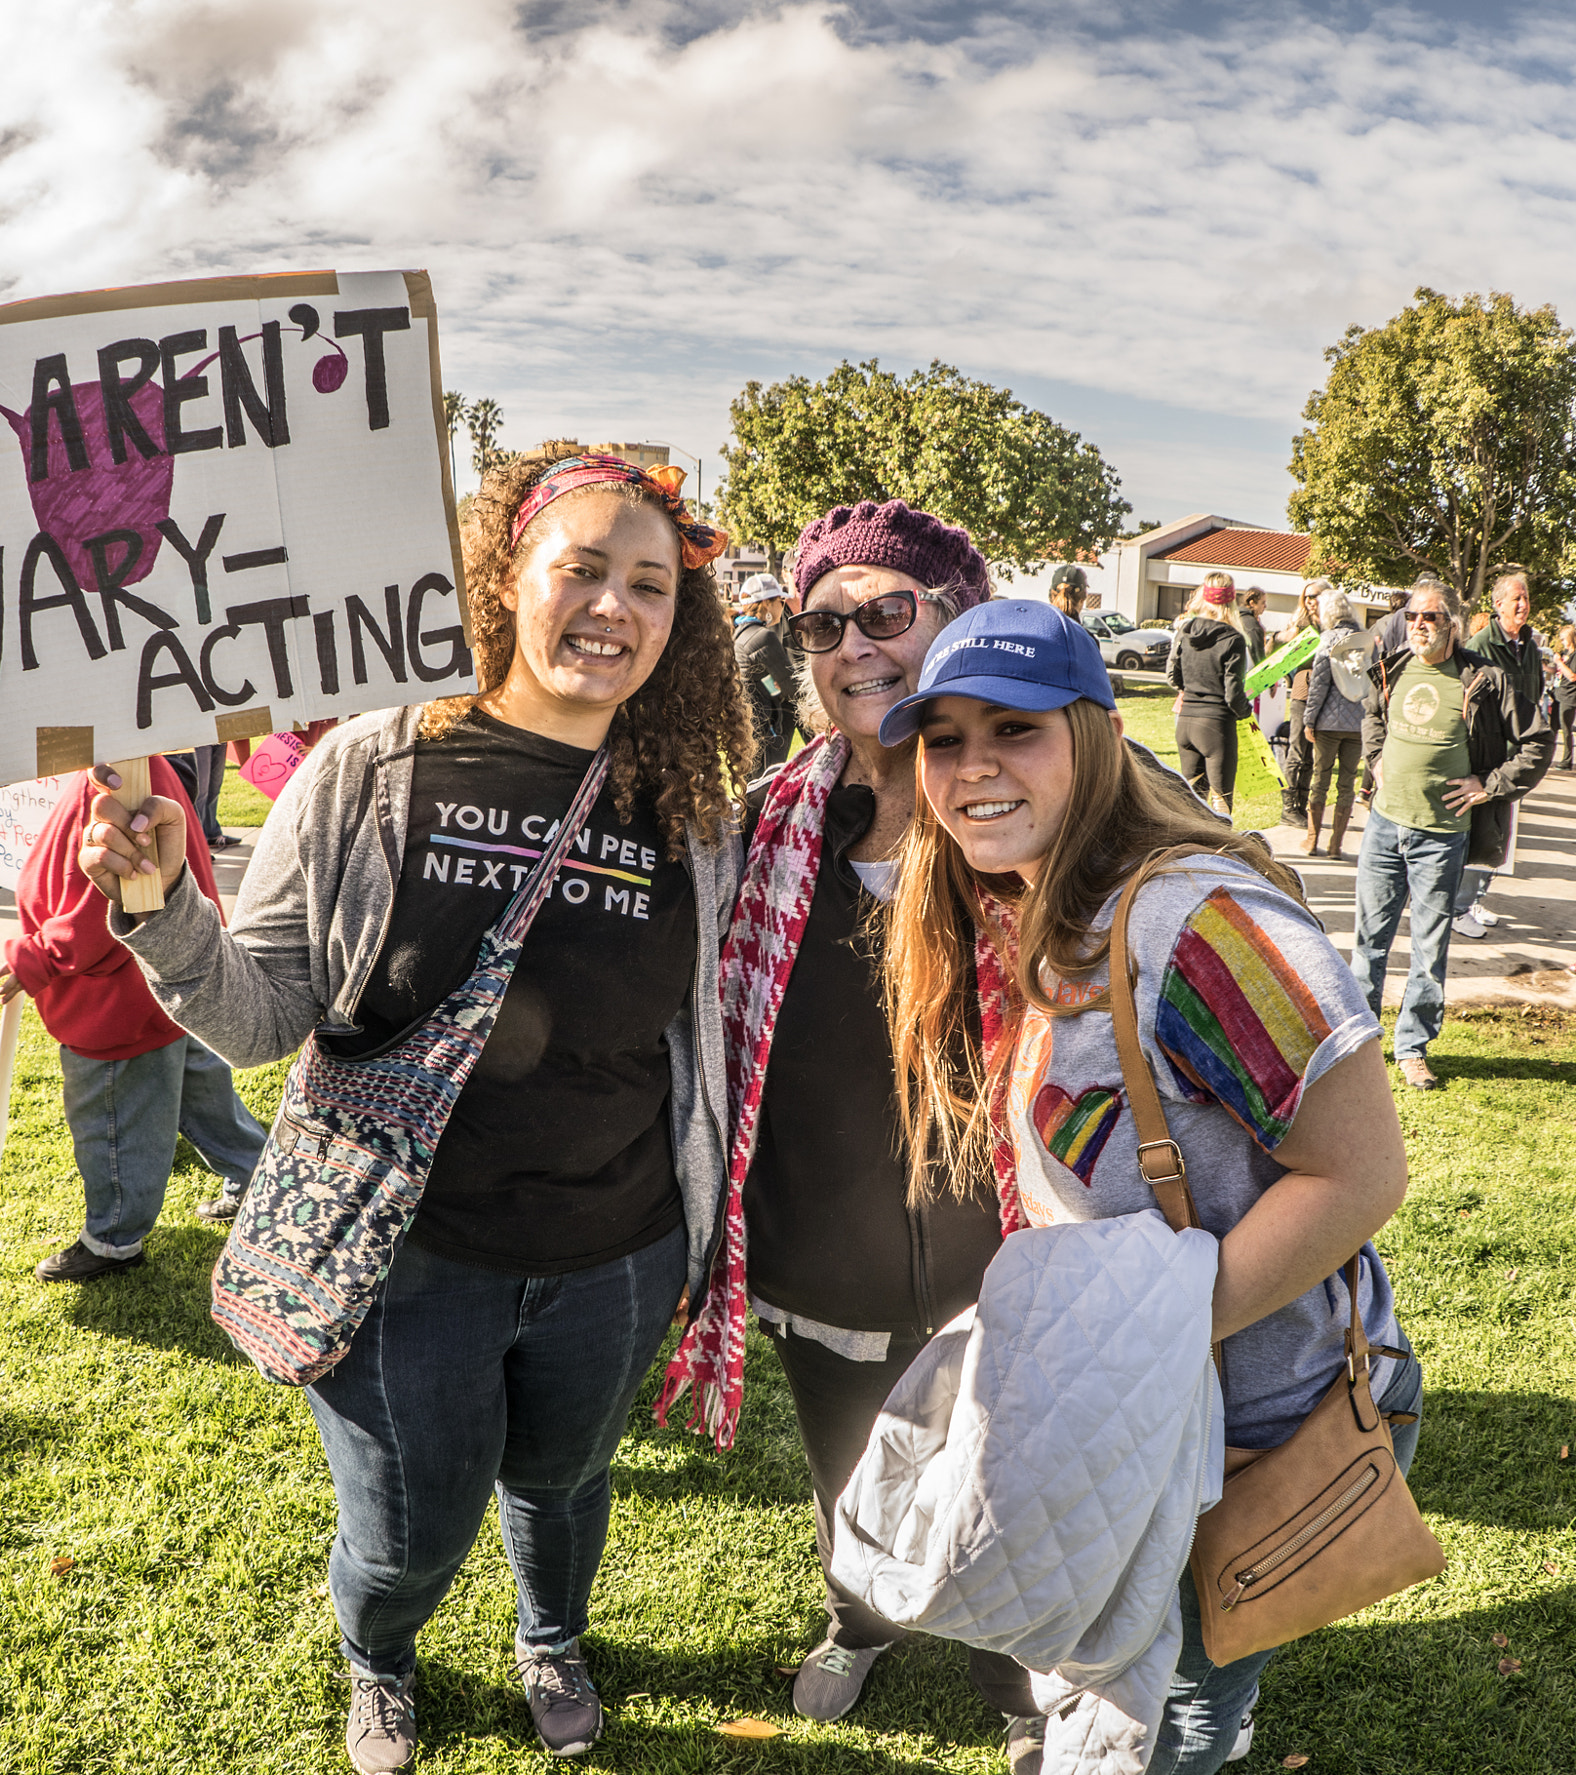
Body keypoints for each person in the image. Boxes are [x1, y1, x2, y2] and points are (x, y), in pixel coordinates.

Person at [79, 448, 750, 1771]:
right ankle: (379, 1655)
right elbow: (264, 1012)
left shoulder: (690, 808)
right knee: (405, 1533)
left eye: (652, 585)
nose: (616, 605)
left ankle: (551, 1631)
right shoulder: (374, 765)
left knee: (561, 1481)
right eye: (583, 568)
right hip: (399, 1259)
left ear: (683, 620)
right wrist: (163, 910)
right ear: (505, 576)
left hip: (614, 1250)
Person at [878, 597, 1417, 1775]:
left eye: (1012, 729)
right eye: (942, 737)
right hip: (1144, 1416)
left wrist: (1128, 1345)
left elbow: (1361, 1170)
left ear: (1092, 736)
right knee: (1133, 1685)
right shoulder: (1042, 908)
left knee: (1178, 1708)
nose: (971, 766)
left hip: (1249, 1425)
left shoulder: (1192, 920)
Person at [663, 502, 1026, 1731]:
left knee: (1004, 1474)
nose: (854, 646)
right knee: (850, 1464)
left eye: (888, 612)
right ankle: (858, 1617)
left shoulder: (1031, 807)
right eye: (824, 623)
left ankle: (1016, 1678)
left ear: (955, 619)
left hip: (1005, 1240)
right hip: (820, 1234)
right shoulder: (768, 820)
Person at [0, 752, 265, 1278]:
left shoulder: (125, 774)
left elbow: (115, 899)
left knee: (115, 1123)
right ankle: (260, 1180)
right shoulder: (128, 762)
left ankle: (114, 1240)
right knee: (203, 1098)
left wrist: (40, 956)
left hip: (124, 1002)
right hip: (168, 991)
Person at [1353, 579, 1549, 1089]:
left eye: (1432, 617)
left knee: (1428, 944)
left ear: (1454, 625)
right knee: (1369, 942)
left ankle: (1412, 1046)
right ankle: (1358, 1042)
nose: (1419, 624)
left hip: (1440, 835)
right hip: (1383, 827)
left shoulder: (1482, 678)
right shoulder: (1392, 666)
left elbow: (1537, 738)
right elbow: (1372, 716)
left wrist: (1489, 785)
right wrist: (1375, 761)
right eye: (1413, 615)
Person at [1455, 570, 1543, 936]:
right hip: (1486, 756)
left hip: (1515, 757)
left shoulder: (1530, 646)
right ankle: (1458, 908)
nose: (1522, 605)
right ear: (1498, 605)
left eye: (1525, 598)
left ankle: (1474, 900)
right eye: (1515, 599)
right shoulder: (1480, 644)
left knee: (1498, 838)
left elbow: (1534, 695)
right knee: (1479, 832)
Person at [1165, 574, 1249, 815]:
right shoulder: (1233, 638)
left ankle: (1188, 850)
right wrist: (1246, 712)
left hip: (1186, 721)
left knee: (1190, 802)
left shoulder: (1185, 630)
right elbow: (1233, 694)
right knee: (1221, 803)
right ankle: (1218, 851)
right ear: (1231, 601)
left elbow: (1173, 677)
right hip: (1216, 726)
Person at [1301, 585, 1368, 860]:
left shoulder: (1327, 640)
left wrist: (1309, 720)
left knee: (1320, 779)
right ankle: (1336, 846)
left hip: (1328, 722)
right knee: (1348, 782)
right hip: (1357, 724)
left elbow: (1318, 686)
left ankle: (1312, 840)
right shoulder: (1365, 640)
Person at [732, 571, 801, 774]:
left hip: (747, 727)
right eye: (780, 600)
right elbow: (792, 688)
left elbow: (764, 679)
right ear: (767, 604)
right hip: (765, 730)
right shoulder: (764, 637)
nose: (782, 605)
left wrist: (776, 687)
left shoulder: (740, 633)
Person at [1275, 580, 1325, 827]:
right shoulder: (1301, 625)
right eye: (1306, 597)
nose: (1309, 601)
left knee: (1309, 754)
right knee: (1296, 750)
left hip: (1324, 695)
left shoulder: (1329, 624)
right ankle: (1288, 808)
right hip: (1302, 690)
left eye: (1314, 596)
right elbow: (1282, 658)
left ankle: (1301, 805)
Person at [1547, 623, 1576, 770]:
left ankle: (1567, 760)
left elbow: (1572, 676)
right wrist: (1547, 666)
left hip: (1569, 696)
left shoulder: (1575, 656)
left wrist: (1559, 662)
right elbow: (1559, 672)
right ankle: (1547, 758)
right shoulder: (1567, 655)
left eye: (1564, 639)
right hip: (1558, 694)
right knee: (1552, 728)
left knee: (1565, 728)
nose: (1562, 642)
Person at [1235, 586, 1269, 666]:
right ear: (1252, 603)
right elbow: (1257, 654)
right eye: (1262, 603)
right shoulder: (1252, 625)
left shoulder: (1238, 617)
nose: (1265, 606)